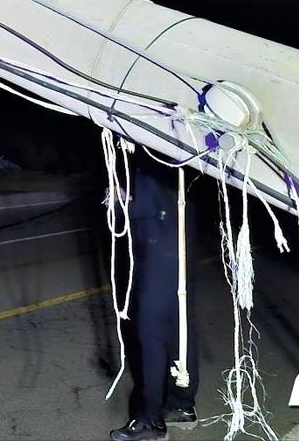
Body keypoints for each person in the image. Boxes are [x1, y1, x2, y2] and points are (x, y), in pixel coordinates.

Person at [110, 158, 200, 441]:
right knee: (178, 329)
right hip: (180, 246)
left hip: (161, 247)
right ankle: (181, 405)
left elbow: (153, 204)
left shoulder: (155, 147)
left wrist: (121, 200)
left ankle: (150, 421)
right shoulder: (184, 140)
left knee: (150, 334)